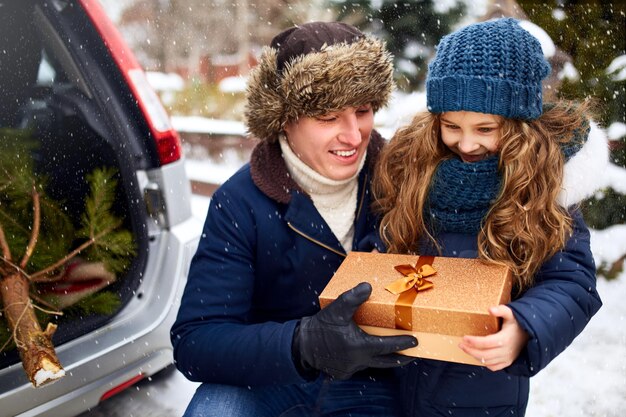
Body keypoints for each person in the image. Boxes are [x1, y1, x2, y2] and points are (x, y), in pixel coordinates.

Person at [171, 22, 418, 417]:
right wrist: (302, 344)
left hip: (376, 383)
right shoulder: (238, 203)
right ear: (284, 119)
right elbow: (196, 341)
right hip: (274, 377)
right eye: (328, 116)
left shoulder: (405, 181)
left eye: (363, 110)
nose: (354, 136)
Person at [372, 18, 603, 416]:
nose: (466, 143)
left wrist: (525, 326)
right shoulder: (413, 170)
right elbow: (382, 245)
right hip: (394, 373)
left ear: (518, 126)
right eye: (451, 126)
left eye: (485, 128)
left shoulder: (543, 188)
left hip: (480, 388)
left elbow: (573, 281)